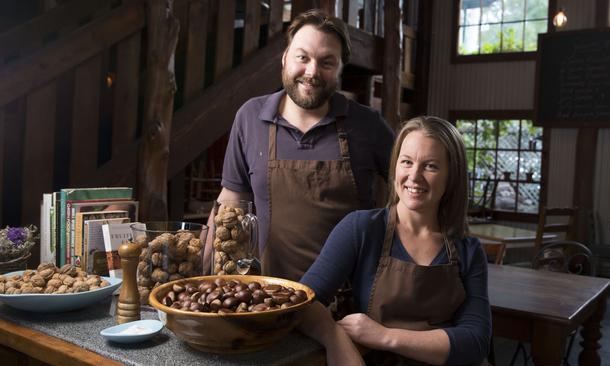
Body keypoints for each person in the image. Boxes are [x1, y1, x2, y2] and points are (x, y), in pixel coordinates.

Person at [203, 9, 394, 281]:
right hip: (267, 295)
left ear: (340, 69)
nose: (312, 71)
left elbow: (412, 192)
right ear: (285, 58)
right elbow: (231, 201)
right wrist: (200, 271)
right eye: (302, 57)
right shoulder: (250, 117)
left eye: (327, 62)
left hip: (348, 300)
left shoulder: (367, 124)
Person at [298, 116, 491, 365]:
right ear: (395, 167)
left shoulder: (469, 251)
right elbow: (303, 303)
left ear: (451, 176)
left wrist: (385, 336)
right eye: (407, 162)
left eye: (430, 166)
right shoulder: (361, 229)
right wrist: (335, 338)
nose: (415, 176)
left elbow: (475, 341)